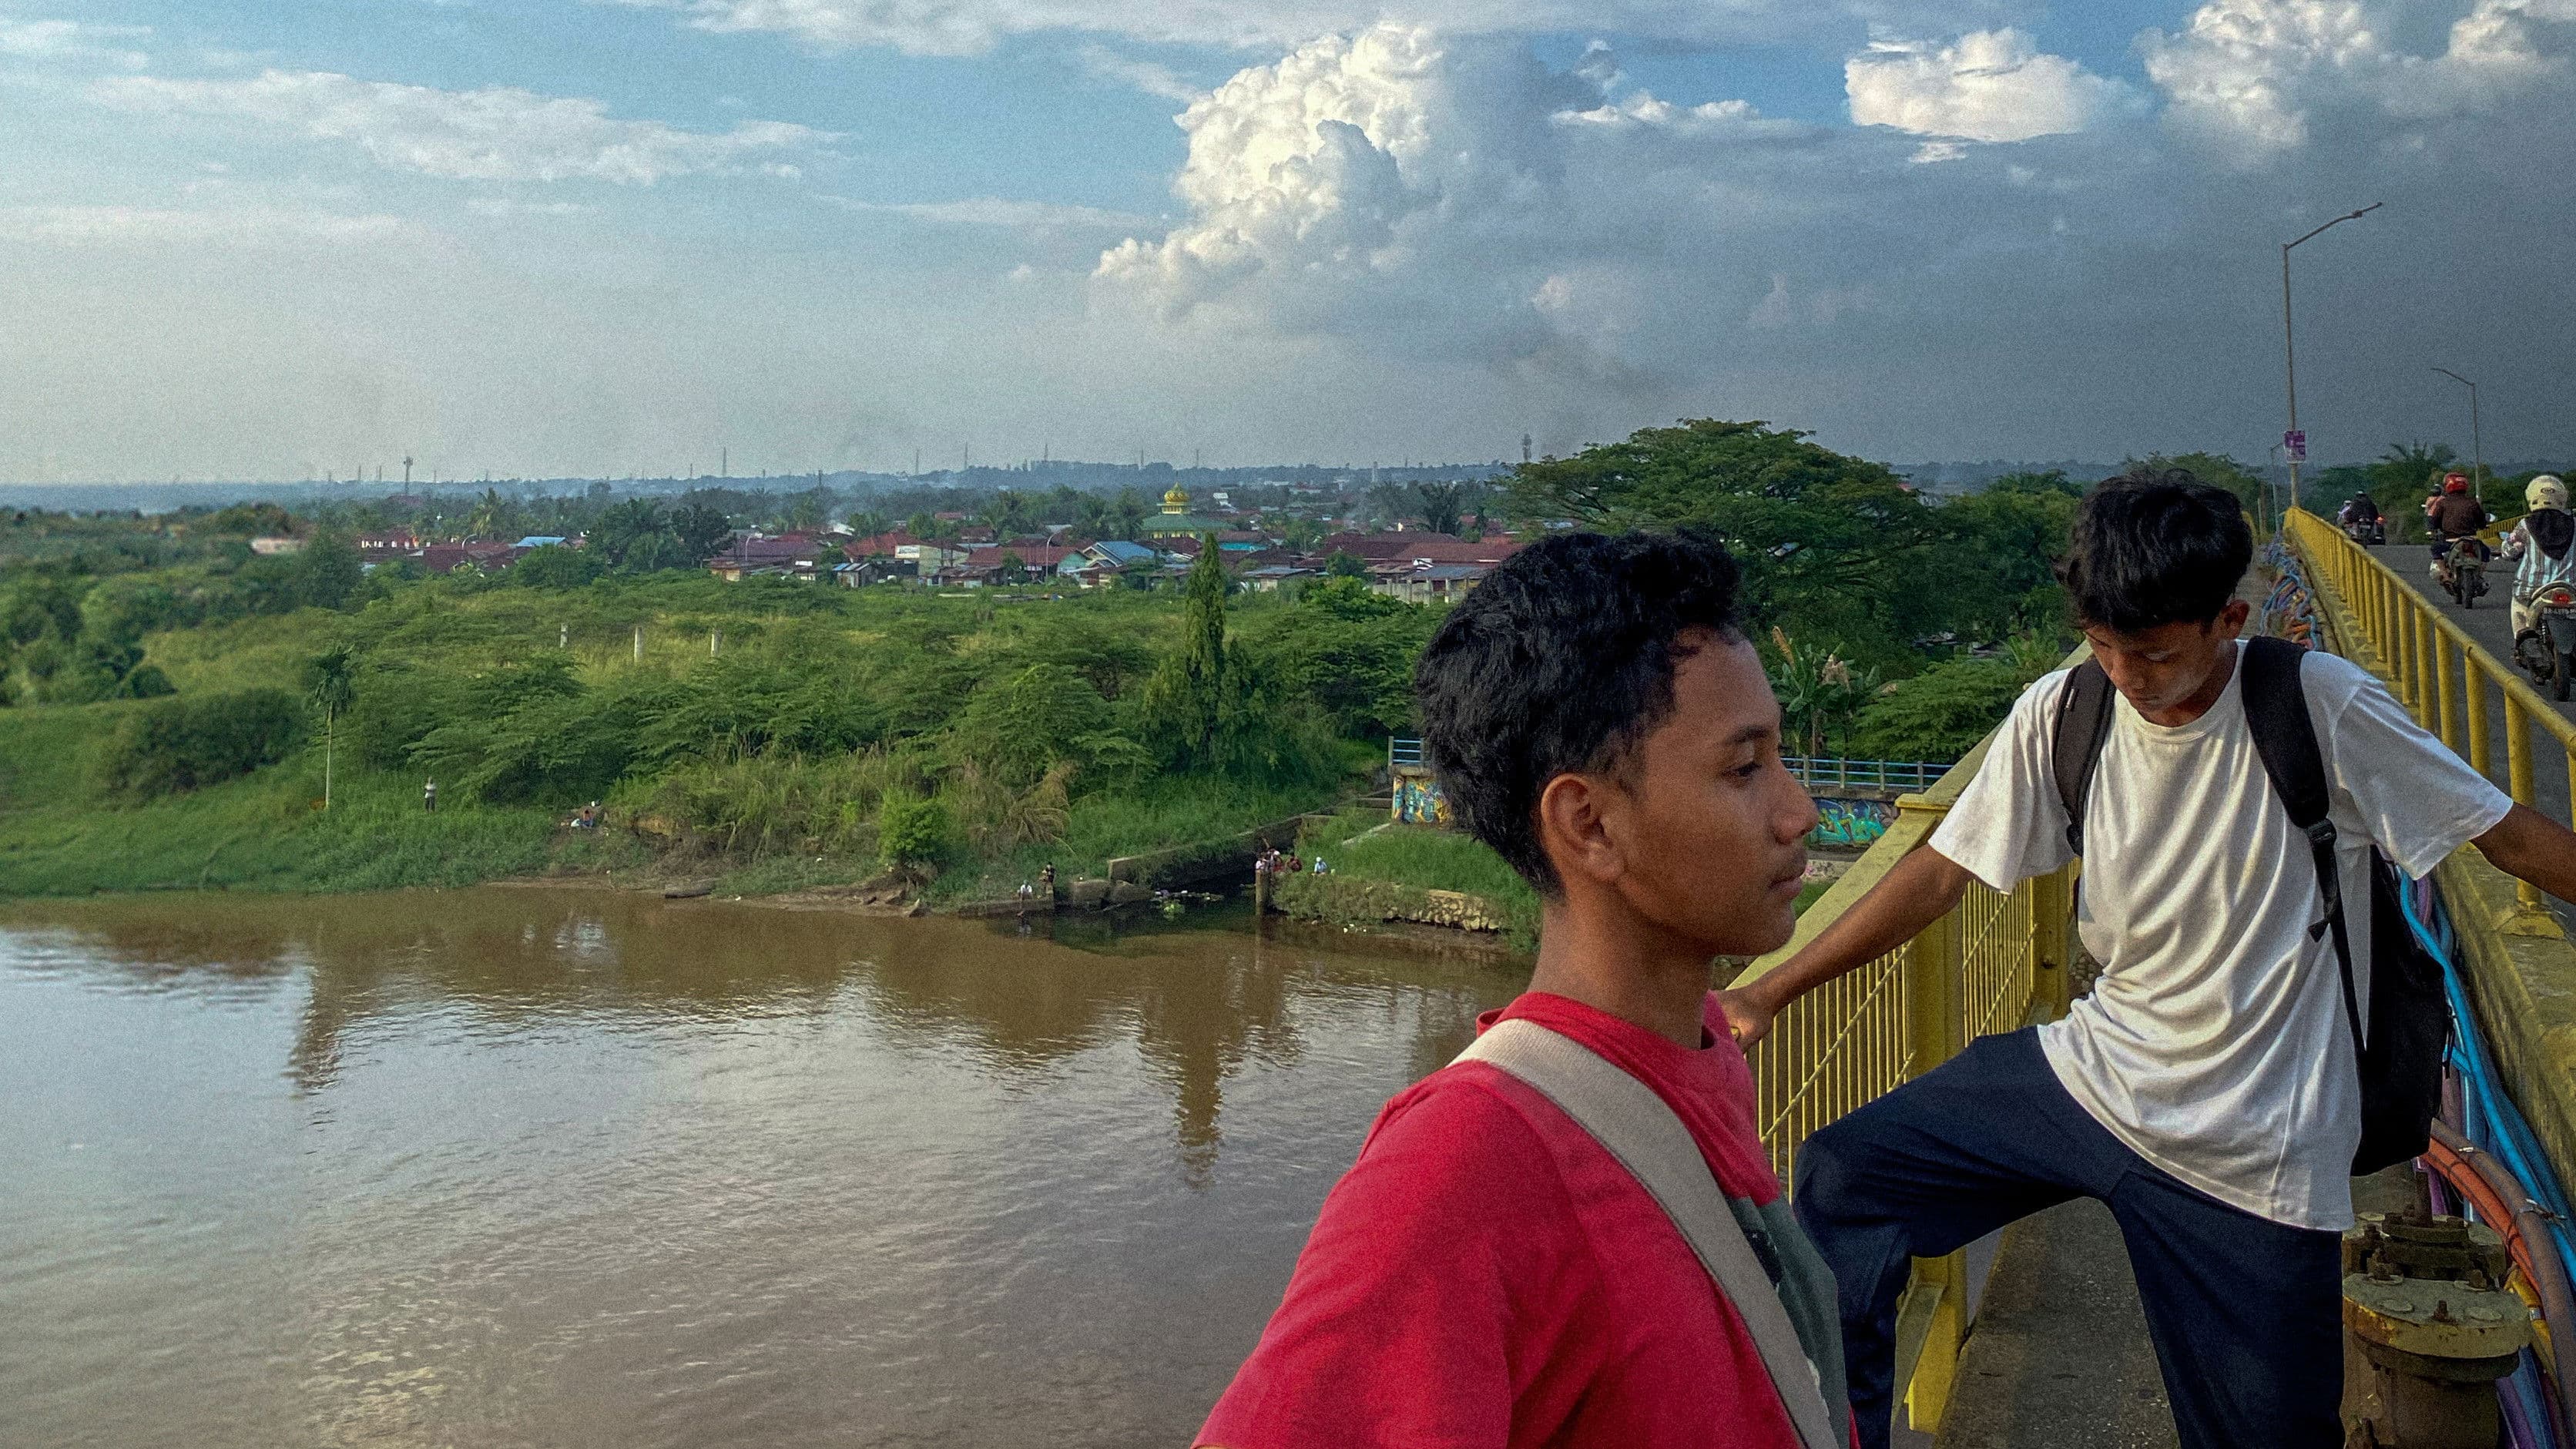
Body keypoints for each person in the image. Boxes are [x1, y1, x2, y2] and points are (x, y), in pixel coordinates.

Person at [1719, 470, 2576, 1449]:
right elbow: (1941, 873)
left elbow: (2504, 835)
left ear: (2228, 620)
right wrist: (1769, 992)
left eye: (2156, 653)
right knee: (1847, 1178)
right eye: (2102, 644)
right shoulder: (2065, 710)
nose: (2127, 674)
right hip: (2095, 1076)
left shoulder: (2314, 706)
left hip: (2254, 1149)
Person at [1196, 532, 1840, 1449]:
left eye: (1777, 758)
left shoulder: (1696, 1047)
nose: (1799, 811)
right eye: (1744, 769)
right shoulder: (1457, 1171)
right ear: (1588, 825)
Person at [2504, 475, 2575, 641]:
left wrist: (2511, 551)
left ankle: (2521, 643)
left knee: (2518, 610)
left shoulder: (2525, 525)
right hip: (2571, 588)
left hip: (2531, 589)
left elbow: (2508, 550)